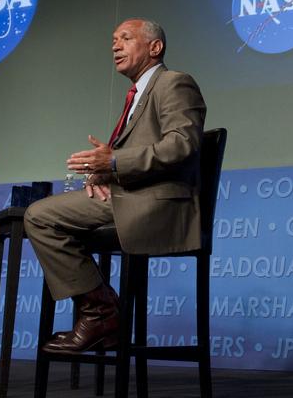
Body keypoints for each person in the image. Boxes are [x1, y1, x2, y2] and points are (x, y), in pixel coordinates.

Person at [24, 18, 206, 353]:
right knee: (44, 216)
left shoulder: (174, 83)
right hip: (131, 195)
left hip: (157, 204)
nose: (115, 45)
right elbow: (136, 156)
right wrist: (105, 173)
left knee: (39, 216)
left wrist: (113, 162)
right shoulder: (137, 94)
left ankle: (101, 311)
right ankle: (99, 315)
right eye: (113, 40)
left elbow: (181, 146)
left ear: (155, 47)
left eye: (125, 38)